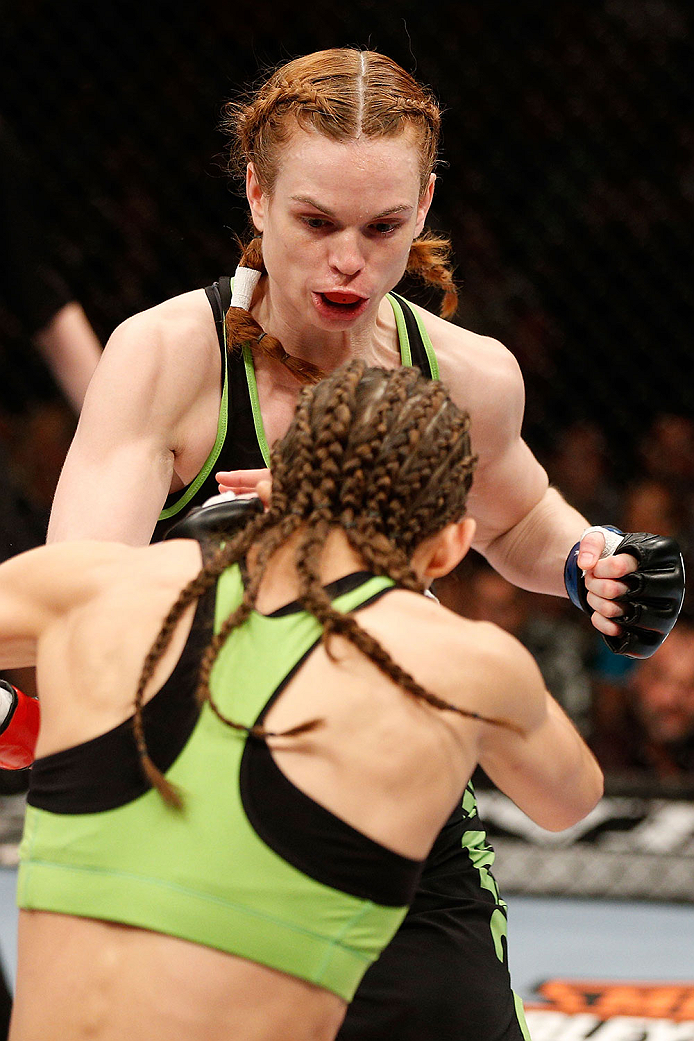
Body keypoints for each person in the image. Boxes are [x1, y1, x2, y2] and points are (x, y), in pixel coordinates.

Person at [8, 48, 682, 1041]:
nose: (348, 262)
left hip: (392, 792)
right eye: (316, 223)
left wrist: (594, 564)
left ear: (425, 206)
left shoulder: (466, 374)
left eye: (383, 227)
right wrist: (266, 546)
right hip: (197, 781)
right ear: (256, 193)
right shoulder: (168, 358)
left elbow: (517, 518)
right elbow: (72, 610)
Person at [0, 363, 603, 1041]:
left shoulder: (85, 584)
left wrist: (16, 719)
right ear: (452, 544)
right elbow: (572, 799)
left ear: (271, 484)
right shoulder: (467, 664)